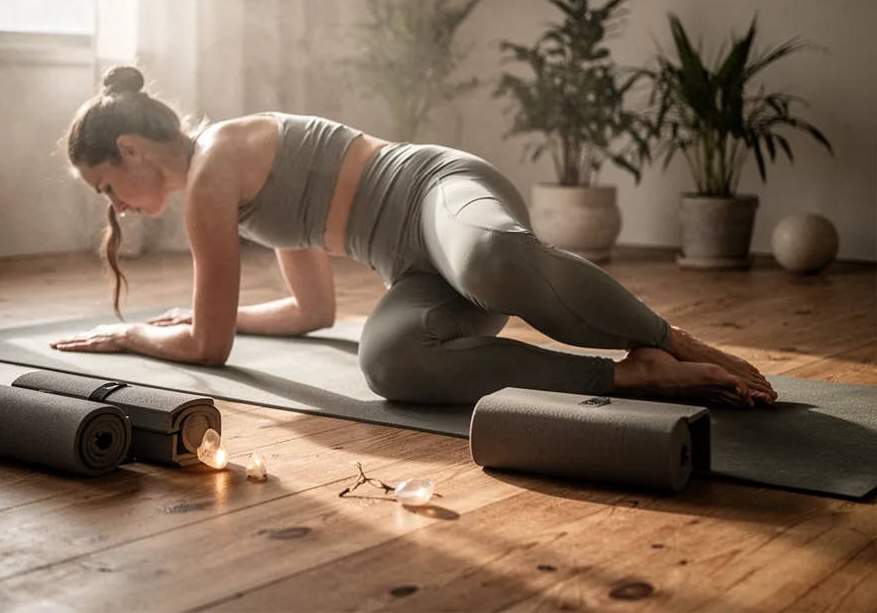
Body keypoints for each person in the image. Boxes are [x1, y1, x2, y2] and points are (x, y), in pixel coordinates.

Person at [51, 66, 777, 408]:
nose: (118, 205)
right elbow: (314, 312)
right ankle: (631, 376)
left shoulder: (212, 175)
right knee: (389, 360)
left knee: (490, 259)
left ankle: (670, 339)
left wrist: (135, 337)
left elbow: (209, 351)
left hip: (439, 192)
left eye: (107, 187)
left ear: (132, 149)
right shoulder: (231, 189)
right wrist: (206, 318)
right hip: (418, 270)